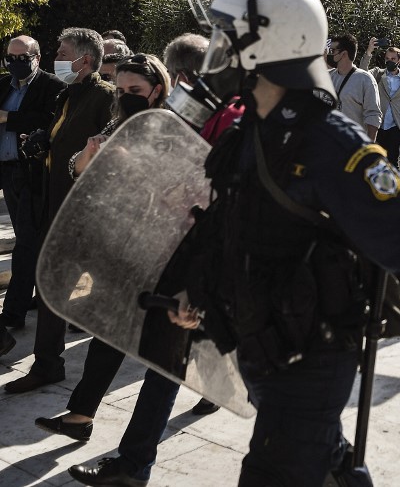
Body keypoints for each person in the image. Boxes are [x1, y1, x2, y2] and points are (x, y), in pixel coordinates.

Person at [156, 0, 400, 486]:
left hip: (313, 352)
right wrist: (193, 289)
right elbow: (225, 226)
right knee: (325, 460)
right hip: (261, 342)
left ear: (268, 47)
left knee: (278, 468)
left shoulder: (328, 143)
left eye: (226, 36)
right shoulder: (245, 132)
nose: (216, 50)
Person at [67, 34, 235, 487]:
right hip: (159, 246)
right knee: (166, 352)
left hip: (194, 253)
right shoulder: (180, 116)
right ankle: (125, 452)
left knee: (169, 357)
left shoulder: (222, 118)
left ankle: (134, 462)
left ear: (176, 78)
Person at [34, 54, 171, 443]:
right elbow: (76, 168)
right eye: (121, 89)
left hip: (156, 247)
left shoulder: (168, 126)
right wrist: (90, 154)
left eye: (135, 91)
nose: (126, 96)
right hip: (120, 240)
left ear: (157, 89)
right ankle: (80, 417)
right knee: (110, 333)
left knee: (163, 350)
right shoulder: (117, 121)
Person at [5, 28, 116, 394]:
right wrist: (42, 142)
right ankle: (47, 364)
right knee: (51, 286)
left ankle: (67, 374)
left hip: (82, 208)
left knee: (65, 288)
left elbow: (109, 150)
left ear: (84, 59)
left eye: (63, 50)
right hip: (52, 201)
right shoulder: (69, 94)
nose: (58, 55)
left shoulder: (104, 96)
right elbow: (62, 139)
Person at [0, 36, 64, 358]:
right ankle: (32, 298)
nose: (15, 63)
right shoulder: (3, 84)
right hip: (6, 170)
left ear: (37, 57)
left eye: (22, 57)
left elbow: (48, 122)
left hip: (33, 174)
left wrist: (7, 119)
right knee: (28, 237)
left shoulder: (51, 85)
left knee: (25, 238)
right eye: (10, 57)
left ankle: (13, 310)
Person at [360, 37, 400, 166]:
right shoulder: (378, 73)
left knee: (393, 162)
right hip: (379, 125)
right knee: (377, 162)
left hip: (396, 125)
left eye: (393, 59)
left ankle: (396, 186)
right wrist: (369, 51)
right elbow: (362, 73)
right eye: (387, 59)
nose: (390, 61)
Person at [327, 34, 382, 141]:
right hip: (328, 143)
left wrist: (369, 147)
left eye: (332, 51)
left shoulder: (365, 79)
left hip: (352, 144)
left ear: (343, 54)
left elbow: (373, 115)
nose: (329, 54)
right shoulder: (327, 77)